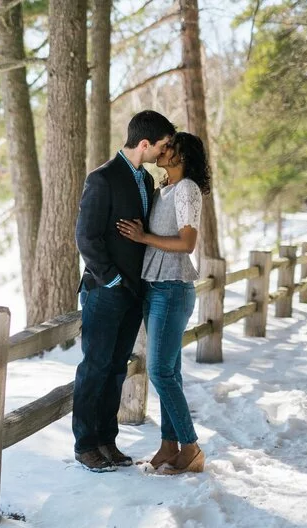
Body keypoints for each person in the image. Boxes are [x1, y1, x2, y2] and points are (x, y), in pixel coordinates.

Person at [73, 110, 175, 472]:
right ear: (144, 143)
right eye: (162, 145)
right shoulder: (101, 178)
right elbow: (86, 237)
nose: (164, 152)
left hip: (134, 293)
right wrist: (112, 280)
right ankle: (85, 445)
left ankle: (106, 441)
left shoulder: (146, 182)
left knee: (117, 368)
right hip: (105, 291)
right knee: (94, 368)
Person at [116, 131, 211, 475]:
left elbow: (187, 242)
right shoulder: (164, 190)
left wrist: (143, 236)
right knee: (170, 370)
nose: (162, 148)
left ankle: (191, 446)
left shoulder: (186, 189)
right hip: (154, 286)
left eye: (169, 146)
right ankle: (170, 446)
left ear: (181, 156)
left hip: (172, 287)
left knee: (158, 370)